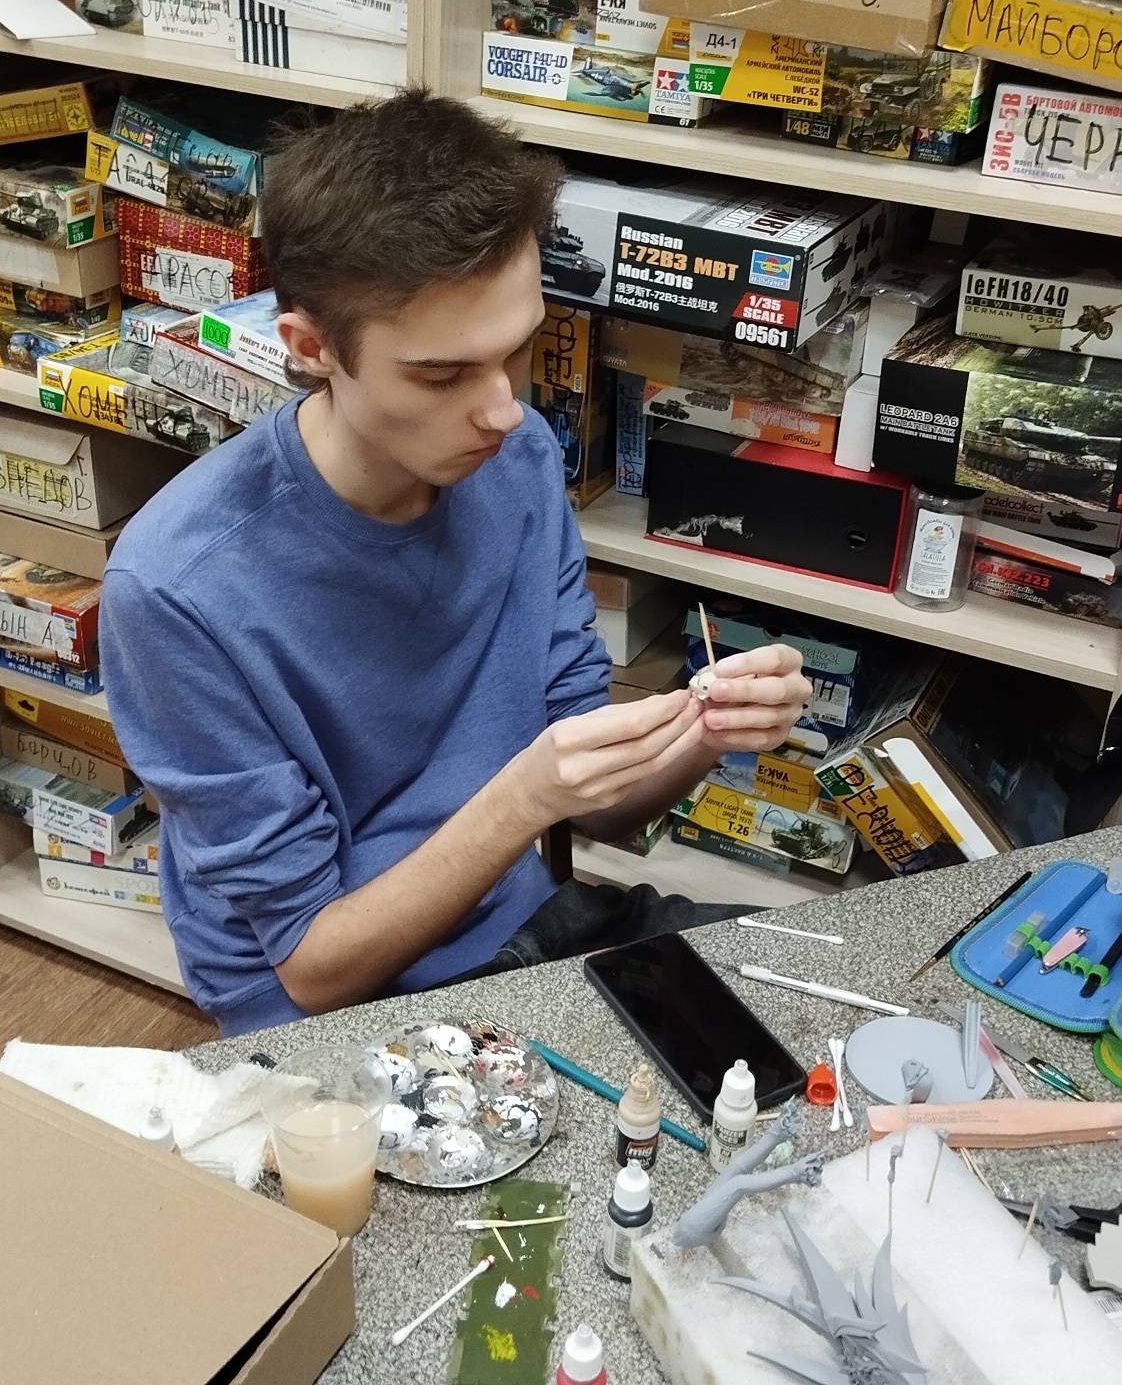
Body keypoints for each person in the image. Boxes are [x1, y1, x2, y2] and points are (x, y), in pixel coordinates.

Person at [101, 91, 812, 1036]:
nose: (503, 410)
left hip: (519, 926)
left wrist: (706, 731)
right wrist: (526, 796)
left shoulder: (515, 461)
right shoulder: (175, 589)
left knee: (821, 1002)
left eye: (517, 352)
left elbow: (595, 814)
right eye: (442, 375)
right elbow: (314, 970)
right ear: (311, 349)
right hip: (339, 1008)